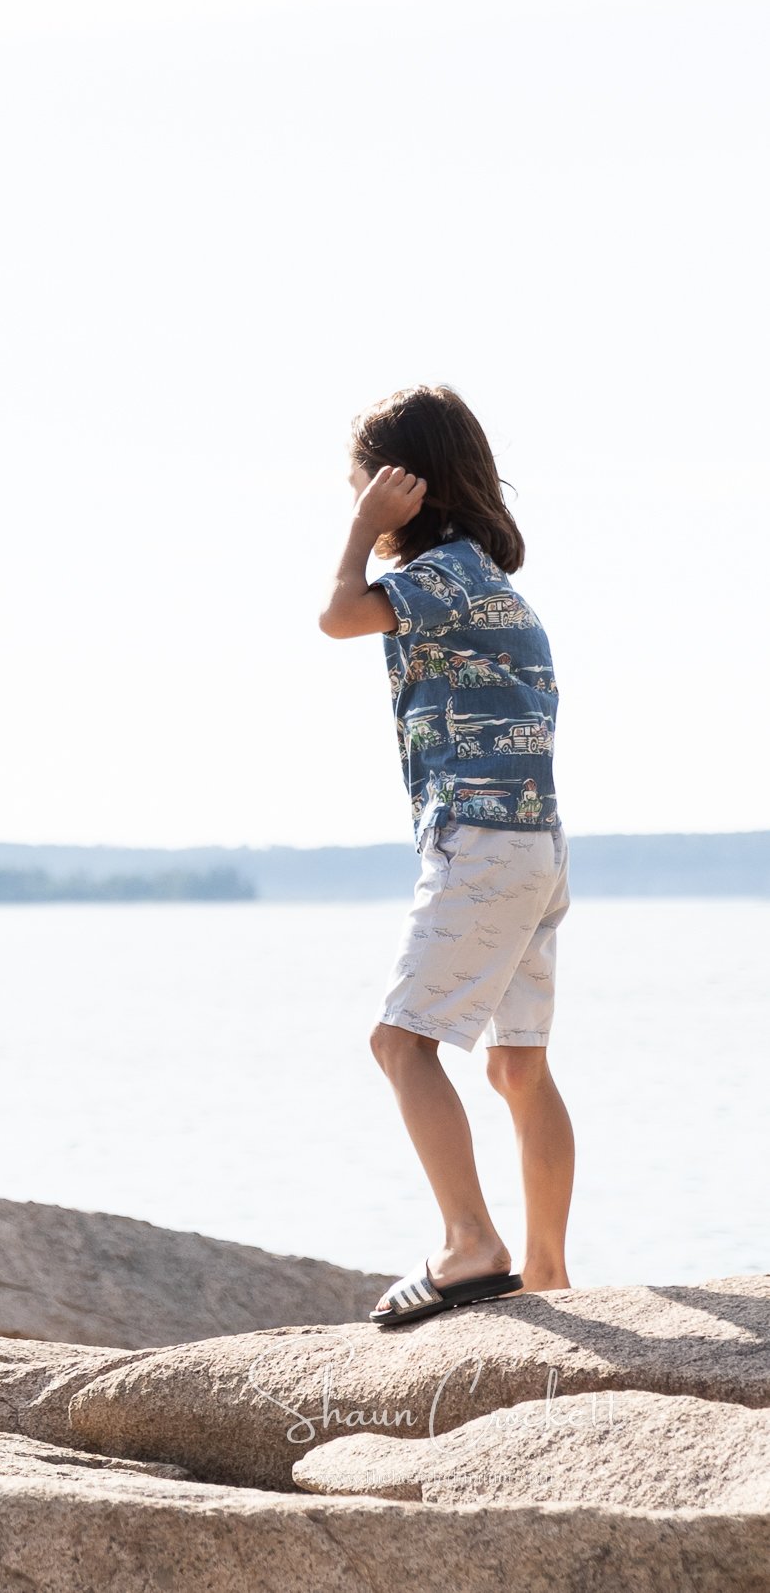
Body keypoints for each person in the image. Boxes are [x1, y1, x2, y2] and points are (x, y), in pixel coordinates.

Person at [317, 385, 574, 1328]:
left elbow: (339, 615)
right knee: (517, 1067)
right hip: (536, 841)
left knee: (399, 1042)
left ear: (402, 486)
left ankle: (472, 1243)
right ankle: (546, 1270)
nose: (356, 501)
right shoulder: (492, 582)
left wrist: (359, 529)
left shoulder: (447, 572)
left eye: (363, 484)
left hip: (482, 840)